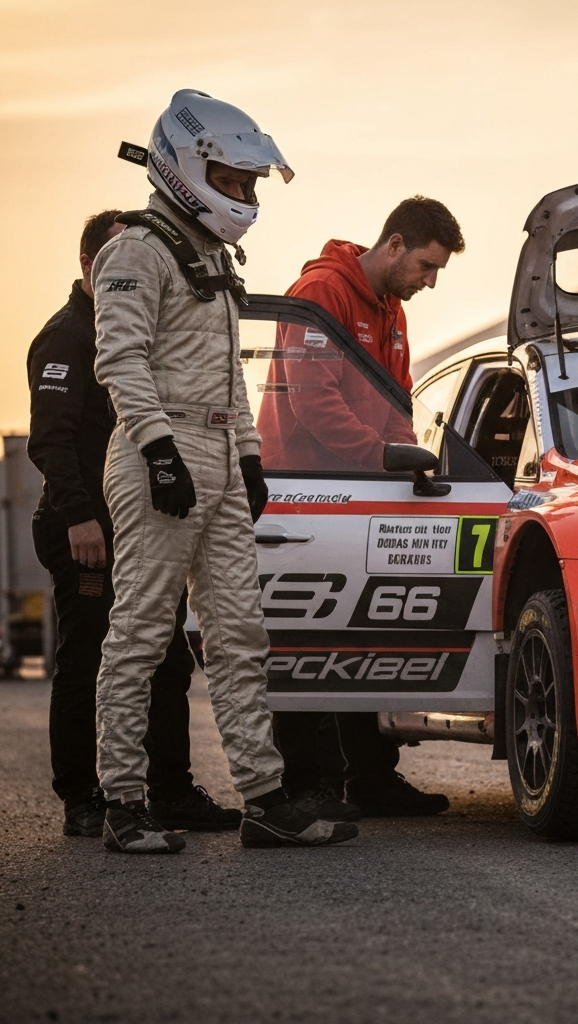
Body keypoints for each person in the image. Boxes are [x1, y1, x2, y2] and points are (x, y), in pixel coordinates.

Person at [91, 88, 356, 853]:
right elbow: (120, 359)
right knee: (141, 634)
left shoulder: (208, 253)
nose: (242, 195)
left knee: (240, 634)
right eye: (234, 180)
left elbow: (227, 376)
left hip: (211, 455)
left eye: (248, 183)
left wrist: (247, 456)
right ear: (187, 168)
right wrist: (157, 450)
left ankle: (265, 799)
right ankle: (122, 804)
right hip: (159, 458)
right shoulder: (135, 250)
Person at [27, 210, 239, 838]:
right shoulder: (69, 336)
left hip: (142, 522)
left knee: (168, 657)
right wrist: (81, 519)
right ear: (92, 265)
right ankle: (83, 797)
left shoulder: (145, 328)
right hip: (84, 529)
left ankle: (170, 788)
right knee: (89, 656)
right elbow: (51, 444)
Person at [260, 197, 464, 819]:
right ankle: (308, 785)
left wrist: (412, 458)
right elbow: (313, 401)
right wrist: (384, 457)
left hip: (362, 490)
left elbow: (395, 402)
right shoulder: (323, 291)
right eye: (426, 266)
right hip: (307, 492)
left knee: (361, 636)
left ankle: (369, 778)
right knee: (310, 641)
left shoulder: (391, 308)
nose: (429, 283)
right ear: (395, 244)